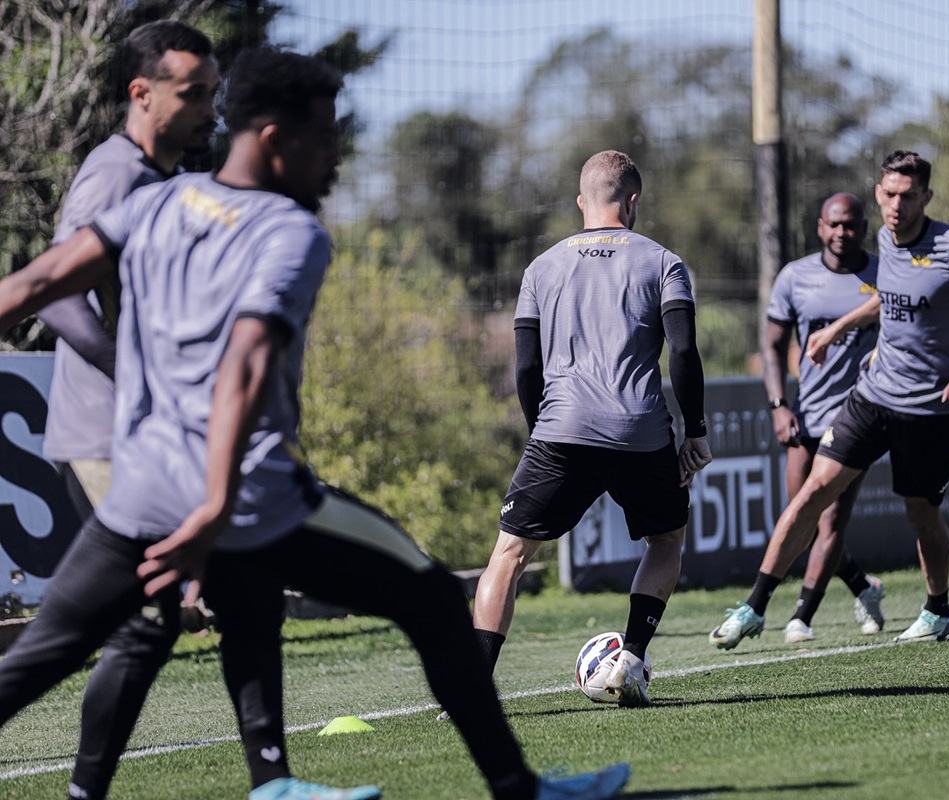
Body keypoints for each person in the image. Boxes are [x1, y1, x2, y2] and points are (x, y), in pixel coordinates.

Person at [0, 48, 629, 800]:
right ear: (274, 140)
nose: (337, 160)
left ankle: (267, 784)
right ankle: (517, 789)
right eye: (326, 140)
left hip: (139, 495)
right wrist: (214, 505)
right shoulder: (288, 232)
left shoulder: (156, 204)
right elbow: (246, 362)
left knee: (50, 655)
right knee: (429, 595)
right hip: (247, 498)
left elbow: (33, 283)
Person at [708, 150, 949, 648]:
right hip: (872, 393)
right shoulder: (884, 239)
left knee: (920, 514)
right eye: (887, 195)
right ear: (878, 193)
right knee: (814, 492)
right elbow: (889, 295)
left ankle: (938, 610)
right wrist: (835, 328)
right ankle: (754, 607)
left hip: (930, 406)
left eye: (907, 196)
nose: (895, 206)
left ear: (926, 196)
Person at [34, 20, 220, 800]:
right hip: (107, 438)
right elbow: (57, 293)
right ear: (141, 94)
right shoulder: (114, 174)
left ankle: (271, 774)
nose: (212, 108)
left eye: (215, 92)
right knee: (124, 624)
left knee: (175, 612)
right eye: (194, 93)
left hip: (146, 438)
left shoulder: (166, 179)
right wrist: (130, 373)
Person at [471, 150, 712, 707]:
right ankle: (630, 658)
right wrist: (695, 430)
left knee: (508, 555)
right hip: (642, 432)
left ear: (582, 202)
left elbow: (526, 368)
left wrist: (542, 430)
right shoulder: (664, 263)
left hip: (560, 429)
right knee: (666, 539)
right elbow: (683, 352)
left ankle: (472, 689)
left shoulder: (541, 267)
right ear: (633, 202)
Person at [710, 192, 884, 649]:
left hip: (858, 415)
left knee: (829, 523)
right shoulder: (796, 277)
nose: (842, 232)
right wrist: (777, 404)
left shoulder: (883, 276)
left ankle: (800, 615)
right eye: (834, 224)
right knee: (799, 518)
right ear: (820, 228)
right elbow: (770, 345)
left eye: (851, 224)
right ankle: (864, 587)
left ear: (863, 228)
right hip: (805, 413)